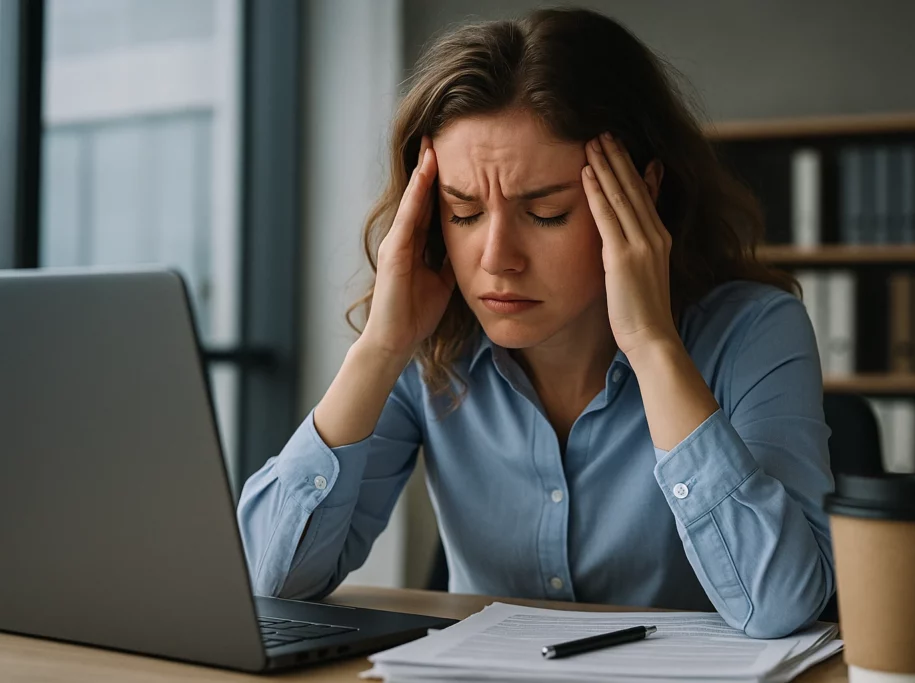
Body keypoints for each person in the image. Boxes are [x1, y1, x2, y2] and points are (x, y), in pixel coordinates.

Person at [237, 7, 834, 639]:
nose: (496, 259)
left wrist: (653, 345)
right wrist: (380, 349)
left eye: (546, 212)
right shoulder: (430, 343)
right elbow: (267, 586)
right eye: (463, 212)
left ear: (641, 195)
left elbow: (782, 605)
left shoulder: (755, 331)